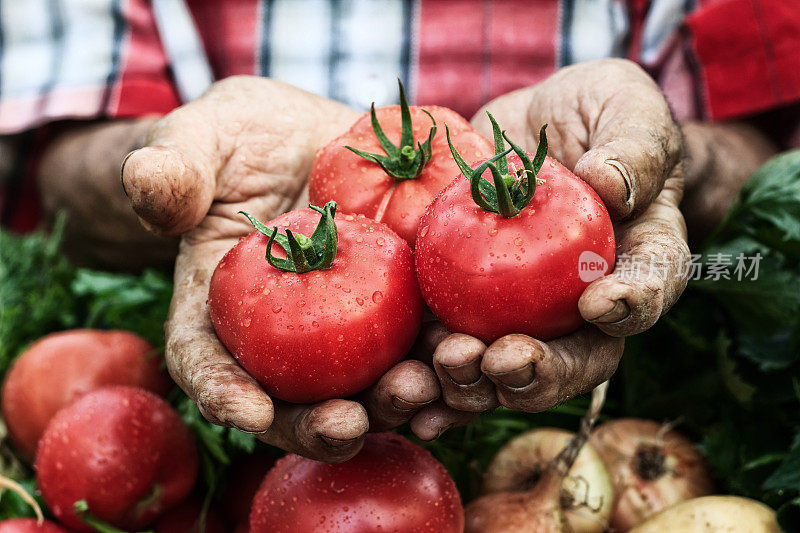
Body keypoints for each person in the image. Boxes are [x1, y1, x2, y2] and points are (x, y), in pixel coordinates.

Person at [1, 0, 797, 463]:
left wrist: (666, 154)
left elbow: (768, 125)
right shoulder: (334, 220)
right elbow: (51, 153)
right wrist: (178, 159)